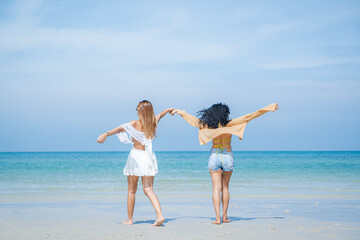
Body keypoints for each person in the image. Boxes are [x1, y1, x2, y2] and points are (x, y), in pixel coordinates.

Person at [171, 103, 279, 224]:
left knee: (216, 189)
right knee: (225, 187)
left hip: (214, 155)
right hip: (227, 155)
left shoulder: (208, 125)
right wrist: (269, 108)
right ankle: (225, 217)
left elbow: (193, 121)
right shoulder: (231, 123)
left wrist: (180, 112)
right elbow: (250, 116)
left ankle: (217, 218)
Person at [97, 100, 173, 226]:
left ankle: (130, 219)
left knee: (131, 190)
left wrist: (106, 134)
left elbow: (119, 129)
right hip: (148, 157)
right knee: (148, 189)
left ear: (141, 110)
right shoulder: (153, 122)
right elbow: (161, 114)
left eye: (137, 108)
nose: (136, 110)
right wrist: (168, 109)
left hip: (136, 157)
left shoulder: (134, 123)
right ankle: (159, 215)